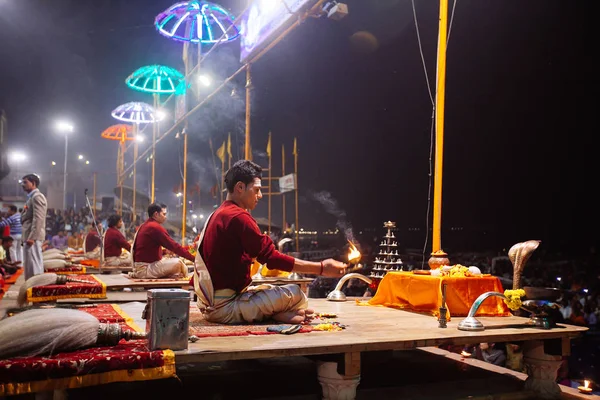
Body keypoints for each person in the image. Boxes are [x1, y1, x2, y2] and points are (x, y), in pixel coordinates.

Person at [194, 160, 346, 325]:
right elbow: (272, 258)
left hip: (209, 303)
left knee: (267, 290)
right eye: (257, 190)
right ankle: (275, 313)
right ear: (240, 187)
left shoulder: (218, 214)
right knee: (296, 294)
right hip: (224, 308)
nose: (260, 196)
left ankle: (276, 314)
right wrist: (321, 268)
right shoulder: (238, 217)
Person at [130, 203, 193, 279]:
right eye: (164, 214)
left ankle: (172, 275)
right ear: (156, 214)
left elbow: (147, 250)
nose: (165, 217)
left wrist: (164, 252)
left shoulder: (145, 225)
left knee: (171, 261)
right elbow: (174, 246)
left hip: (143, 267)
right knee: (178, 263)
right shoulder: (154, 227)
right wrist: (194, 259)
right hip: (145, 269)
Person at [20, 174, 47, 280]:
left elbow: (38, 218)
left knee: (34, 266)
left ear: (33, 183)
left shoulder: (37, 196)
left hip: (32, 237)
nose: (23, 185)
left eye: (25, 182)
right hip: (29, 236)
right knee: (30, 265)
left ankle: (36, 289)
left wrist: (32, 237)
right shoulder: (31, 197)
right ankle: (32, 288)